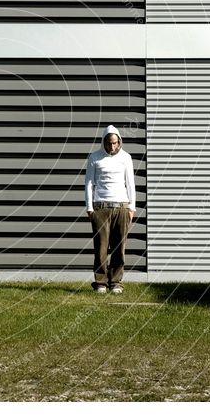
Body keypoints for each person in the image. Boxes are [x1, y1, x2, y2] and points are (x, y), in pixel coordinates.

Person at [84, 125, 136, 294]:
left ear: (119, 141)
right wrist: (90, 208)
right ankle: (100, 282)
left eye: (115, 143)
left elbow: (130, 184)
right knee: (101, 247)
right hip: (100, 207)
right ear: (103, 142)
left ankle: (116, 282)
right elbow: (89, 184)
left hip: (122, 207)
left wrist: (132, 208)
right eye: (109, 143)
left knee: (119, 246)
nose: (112, 147)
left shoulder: (126, 158)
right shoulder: (94, 157)